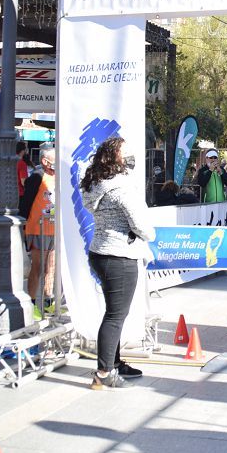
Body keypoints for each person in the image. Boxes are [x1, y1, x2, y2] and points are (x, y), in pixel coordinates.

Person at [80, 137, 155, 390]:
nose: (132, 157)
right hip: (119, 254)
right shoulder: (121, 188)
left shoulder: (97, 185)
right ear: (116, 159)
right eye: (127, 153)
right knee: (115, 315)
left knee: (115, 312)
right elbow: (142, 226)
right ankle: (103, 372)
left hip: (100, 251)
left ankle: (114, 361)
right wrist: (150, 234)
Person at [23, 146, 56, 312]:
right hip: (38, 228)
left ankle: (49, 301)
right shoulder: (37, 177)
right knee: (38, 267)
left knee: (51, 266)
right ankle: (32, 303)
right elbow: (26, 201)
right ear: (45, 161)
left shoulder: (57, 177)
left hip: (54, 228)